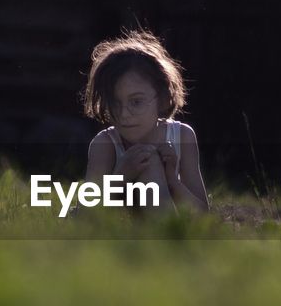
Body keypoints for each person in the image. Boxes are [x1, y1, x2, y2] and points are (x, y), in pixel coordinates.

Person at [81, 30, 210, 214]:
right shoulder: (105, 144)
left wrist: (173, 180)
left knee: (150, 161)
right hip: (122, 238)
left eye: (136, 102)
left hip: (173, 235)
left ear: (163, 97)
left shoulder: (182, 136)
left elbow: (204, 216)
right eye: (115, 103)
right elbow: (82, 216)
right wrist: (121, 177)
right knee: (148, 161)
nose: (124, 114)